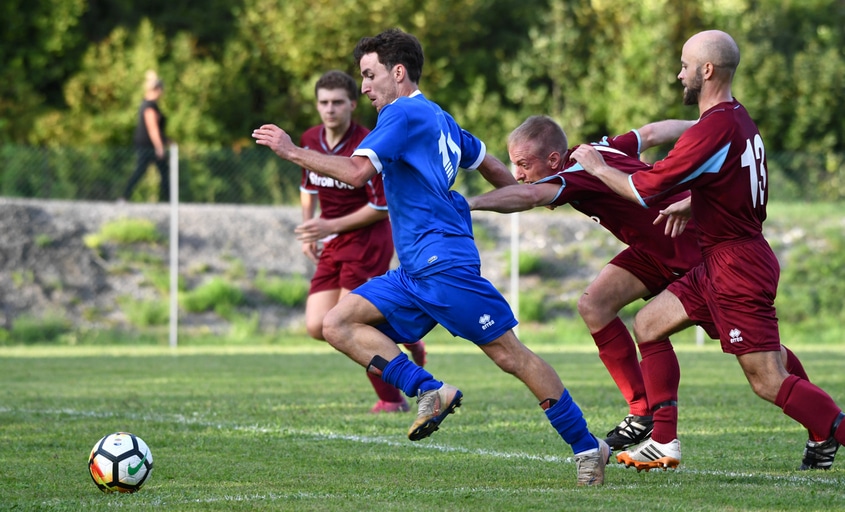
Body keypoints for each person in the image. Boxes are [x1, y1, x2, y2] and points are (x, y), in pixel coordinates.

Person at [254, 28, 610, 486]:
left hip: (444, 266)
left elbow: (358, 173)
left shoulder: (401, 114)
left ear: (398, 72)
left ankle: (587, 447)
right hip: (414, 272)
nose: (364, 87)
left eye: (370, 75)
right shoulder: (440, 118)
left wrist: (291, 150)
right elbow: (491, 166)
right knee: (336, 323)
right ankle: (429, 389)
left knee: (511, 356)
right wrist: (527, 193)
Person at [571, 29, 844, 472]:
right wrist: (694, 203)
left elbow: (645, 188)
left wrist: (598, 167)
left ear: (707, 70)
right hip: (721, 259)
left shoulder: (712, 129)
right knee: (649, 323)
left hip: (736, 265)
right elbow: (737, 184)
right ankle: (663, 441)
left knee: (766, 378)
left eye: (685, 66)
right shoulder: (737, 117)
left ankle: (828, 429)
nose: (680, 75)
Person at [467, 115, 699, 451]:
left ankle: (661, 431)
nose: (517, 174)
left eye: (523, 164)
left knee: (754, 356)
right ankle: (642, 413)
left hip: (691, 247)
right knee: (595, 304)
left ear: (553, 159)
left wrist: (470, 203)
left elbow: (528, 197)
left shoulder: (575, 174)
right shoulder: (599, 149)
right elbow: (650, 133)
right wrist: (703, 123)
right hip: (654, 247)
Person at [296, 69, 426, 414]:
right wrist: (310, 227)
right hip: (333, 238)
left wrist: (328, 225)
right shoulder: (309, 139)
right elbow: (307, 187)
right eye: (324, 102)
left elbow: (381, 207)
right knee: (316, 325)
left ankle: (391, 399)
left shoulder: (369, 142)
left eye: (338, 102)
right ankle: (403, 334)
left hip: (368, 240)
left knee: (346, 322)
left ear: (353, 104)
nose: (330, 109)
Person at [122, 70, 169, 202]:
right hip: (147, 146)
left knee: (162, 171)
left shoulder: (151, 105)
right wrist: (159, 147)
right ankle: (124, 196)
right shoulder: (149, 106)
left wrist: (167, 140)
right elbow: (152, 128)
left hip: (150, 145)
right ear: (158, 90)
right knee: (141, 171)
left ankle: (170, 199)